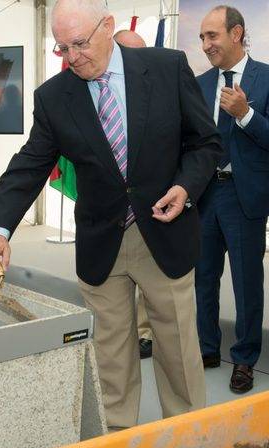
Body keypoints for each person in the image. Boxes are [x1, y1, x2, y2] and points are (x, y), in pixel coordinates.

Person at [0, 0, 222, 430]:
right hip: (101, 240)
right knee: (110, 355)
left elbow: (205, 143)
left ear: (107, 26)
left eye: (79, 43)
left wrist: (185, 188)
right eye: (61, 48)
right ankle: (117, 440)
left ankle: (187, 437)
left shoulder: (167, 68)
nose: (72, 57)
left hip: (164, 228)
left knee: (178, 349)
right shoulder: (54, 97)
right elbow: (30, 164)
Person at [194, 5, 269, 393]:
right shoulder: (199, 83)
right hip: (204, 195)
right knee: (203, 278)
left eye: (212, 36)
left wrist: (246, 113)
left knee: (247, 283)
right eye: (202, 37)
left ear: (236, 34)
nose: (205, 45)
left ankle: (245, 359)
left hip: (244, 196)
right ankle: (206, 348)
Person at [113, 29, 153, 360]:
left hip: (154, 210)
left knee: (152, 282)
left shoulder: (160, 90)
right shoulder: (95, 92)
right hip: (110, 214)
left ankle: (144, 332)